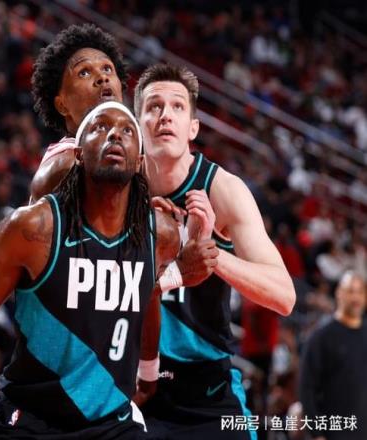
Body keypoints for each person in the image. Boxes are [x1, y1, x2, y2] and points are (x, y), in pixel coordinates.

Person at [0, 102, 218, 439]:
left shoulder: (160, 234)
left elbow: (147, 291)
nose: (114, 134)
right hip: (30, 420)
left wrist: (149, 371)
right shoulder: (33, 229)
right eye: (100, 127)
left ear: (139, 162)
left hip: (109, 424)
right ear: (78, 154)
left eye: (127, 130)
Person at [133, 64, 296, 439]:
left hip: (204, 387)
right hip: (129, 377)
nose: (165, 115)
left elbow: (284, 295)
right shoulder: (116, 187)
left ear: (193, 127)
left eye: (177, 106)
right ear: (138, 123)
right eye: (154, 106)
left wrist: (212, 254)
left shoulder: (222, 189)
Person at [30, 23, 127, 202]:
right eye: (84, 73)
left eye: (107, 68)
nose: (103, 77)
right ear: (62, 105)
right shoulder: (67, 163)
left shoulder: (122, 152)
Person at [299, 271, 366, 440]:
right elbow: (306, 388)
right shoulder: (320, 337)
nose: (355, 297)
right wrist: (317, 433)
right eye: (350, 291)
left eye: (360, 292)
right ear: (339, 294)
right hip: (334, 432)